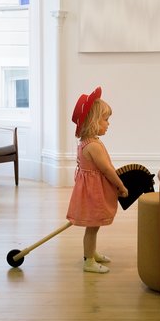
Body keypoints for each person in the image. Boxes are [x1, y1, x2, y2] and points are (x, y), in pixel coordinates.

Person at [67, 86, 128, 273]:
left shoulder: (86, 142)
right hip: (92, 193)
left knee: (95, 226)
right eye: (105, 119)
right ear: (93, 121)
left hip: (90, 190)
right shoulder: (93, 146)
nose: (108, 124)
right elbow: (108, 170)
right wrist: (121, 186)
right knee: (92, 227)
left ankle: (91, 253)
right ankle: (89, 261)